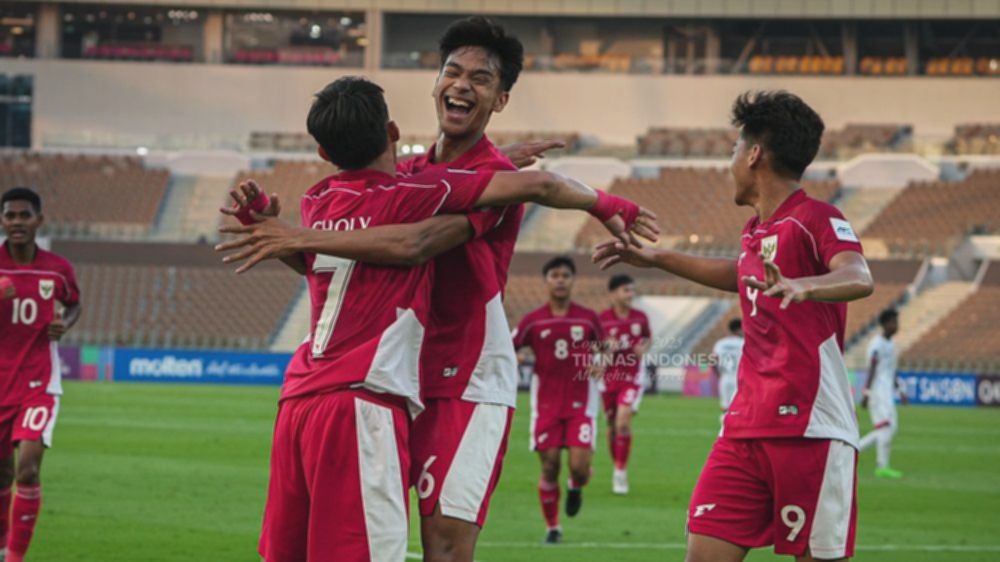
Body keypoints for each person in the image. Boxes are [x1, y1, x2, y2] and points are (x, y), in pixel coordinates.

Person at [219, 17, 657, 562]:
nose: (462, 84)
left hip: (464, 381)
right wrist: (283, 236)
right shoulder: (411, 174)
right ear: (435, 83)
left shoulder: (484, 184)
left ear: (500, 99)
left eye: (481, 78)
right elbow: (342, 255)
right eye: (453, 71)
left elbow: (419, 242)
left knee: (445, 547)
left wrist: (300, 234)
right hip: (395, 379)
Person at [593, 90, 874, 561]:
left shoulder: (816, 217)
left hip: (809, 427)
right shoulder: (755, 232)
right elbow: (737, 274)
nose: (731, 161)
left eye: (734, 148)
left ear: (754, 154)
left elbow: (859, 275)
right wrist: (658, 258)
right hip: (744, 426)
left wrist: (805, 285)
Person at [0, 187, 81, 562]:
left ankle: (15, 558)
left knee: (28, 470)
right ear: (2, 221)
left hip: (38, 382)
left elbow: (74, 303)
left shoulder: (57, 268)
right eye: (10, 215)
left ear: (39, 220)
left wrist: (66, 323)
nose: (17, 222)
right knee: (2, 475)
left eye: (24, 215)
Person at [513, 256, 605, 544]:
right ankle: (553, 528)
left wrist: (601, 362)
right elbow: (509, 346)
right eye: (555, 275)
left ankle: (576, 485)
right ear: (546, 281)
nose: (560, 280)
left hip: (581, 402)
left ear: (573, 280)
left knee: (578, 467)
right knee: (550, 466)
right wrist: (516, 357)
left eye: (565, 275)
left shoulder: (588, 318)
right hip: (546, 405)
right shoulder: (533, 320)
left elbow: (605, 349)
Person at [597, 274, 651, 495]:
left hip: (632, 376)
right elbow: (594, 347)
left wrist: (642, 349)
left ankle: (620, 471)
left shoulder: (640, 317)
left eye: (632, 290)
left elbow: (647, 339)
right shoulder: (602, 319)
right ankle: (617, 466)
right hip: (608, 378)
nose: (630, 294)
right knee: (611, 425)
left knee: (622, 420)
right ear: (613, 294)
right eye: (626, 290)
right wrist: (604, 347)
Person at [859, 309, 906, 478]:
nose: (896, 325)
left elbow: (891, 370)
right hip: (877, 392)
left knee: (891, 428)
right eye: (893, 322)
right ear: (885, 324)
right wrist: (867, 392)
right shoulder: (876, 344)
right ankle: (882, 466)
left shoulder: (891, 344)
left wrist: (900, 390)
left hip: (886, 392)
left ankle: (855, 449)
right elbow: (872, 368)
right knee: (885, 427)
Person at [711, 319, 744, 422]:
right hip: (740, 378)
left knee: (725, 408)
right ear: (739, 329)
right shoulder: (743, 343)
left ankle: (724, 429)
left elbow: (713, 361)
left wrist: (718, 374)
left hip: (725, 377)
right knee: (740, 409)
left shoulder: (720, 343)